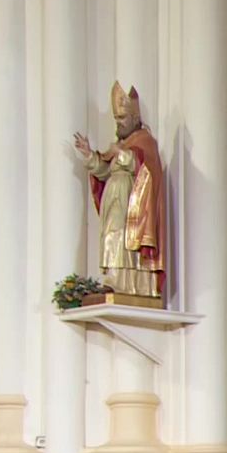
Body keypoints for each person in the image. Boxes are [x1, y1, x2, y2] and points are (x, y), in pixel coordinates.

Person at [72, 82, 166, 298]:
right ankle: (114, 281)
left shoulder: (145, 141)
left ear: (135, 118)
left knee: (122, 237)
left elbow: (144, 167)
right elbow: (104, 172)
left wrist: (121, 153)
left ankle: (127, 284)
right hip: (114, 199)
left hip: (131, 203)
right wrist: (89, 155)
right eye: (116, 119)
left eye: (122, 119)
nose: (118, 124)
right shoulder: (122, 143)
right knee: (111, 236)